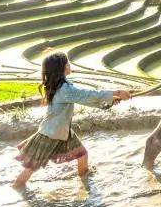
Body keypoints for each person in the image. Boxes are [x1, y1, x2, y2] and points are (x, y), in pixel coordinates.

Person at [12, 51, 131, 189]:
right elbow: (87, 95)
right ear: (61, 67)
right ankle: (16, 189)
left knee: (82, 155)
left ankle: (86, 185)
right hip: (50, 134)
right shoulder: (64, 89)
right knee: (31, 168)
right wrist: (116, 92)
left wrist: (110, 101)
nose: (69, 64)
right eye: (67, 62)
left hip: (62, 131)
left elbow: (84, 99)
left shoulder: (64, 86)